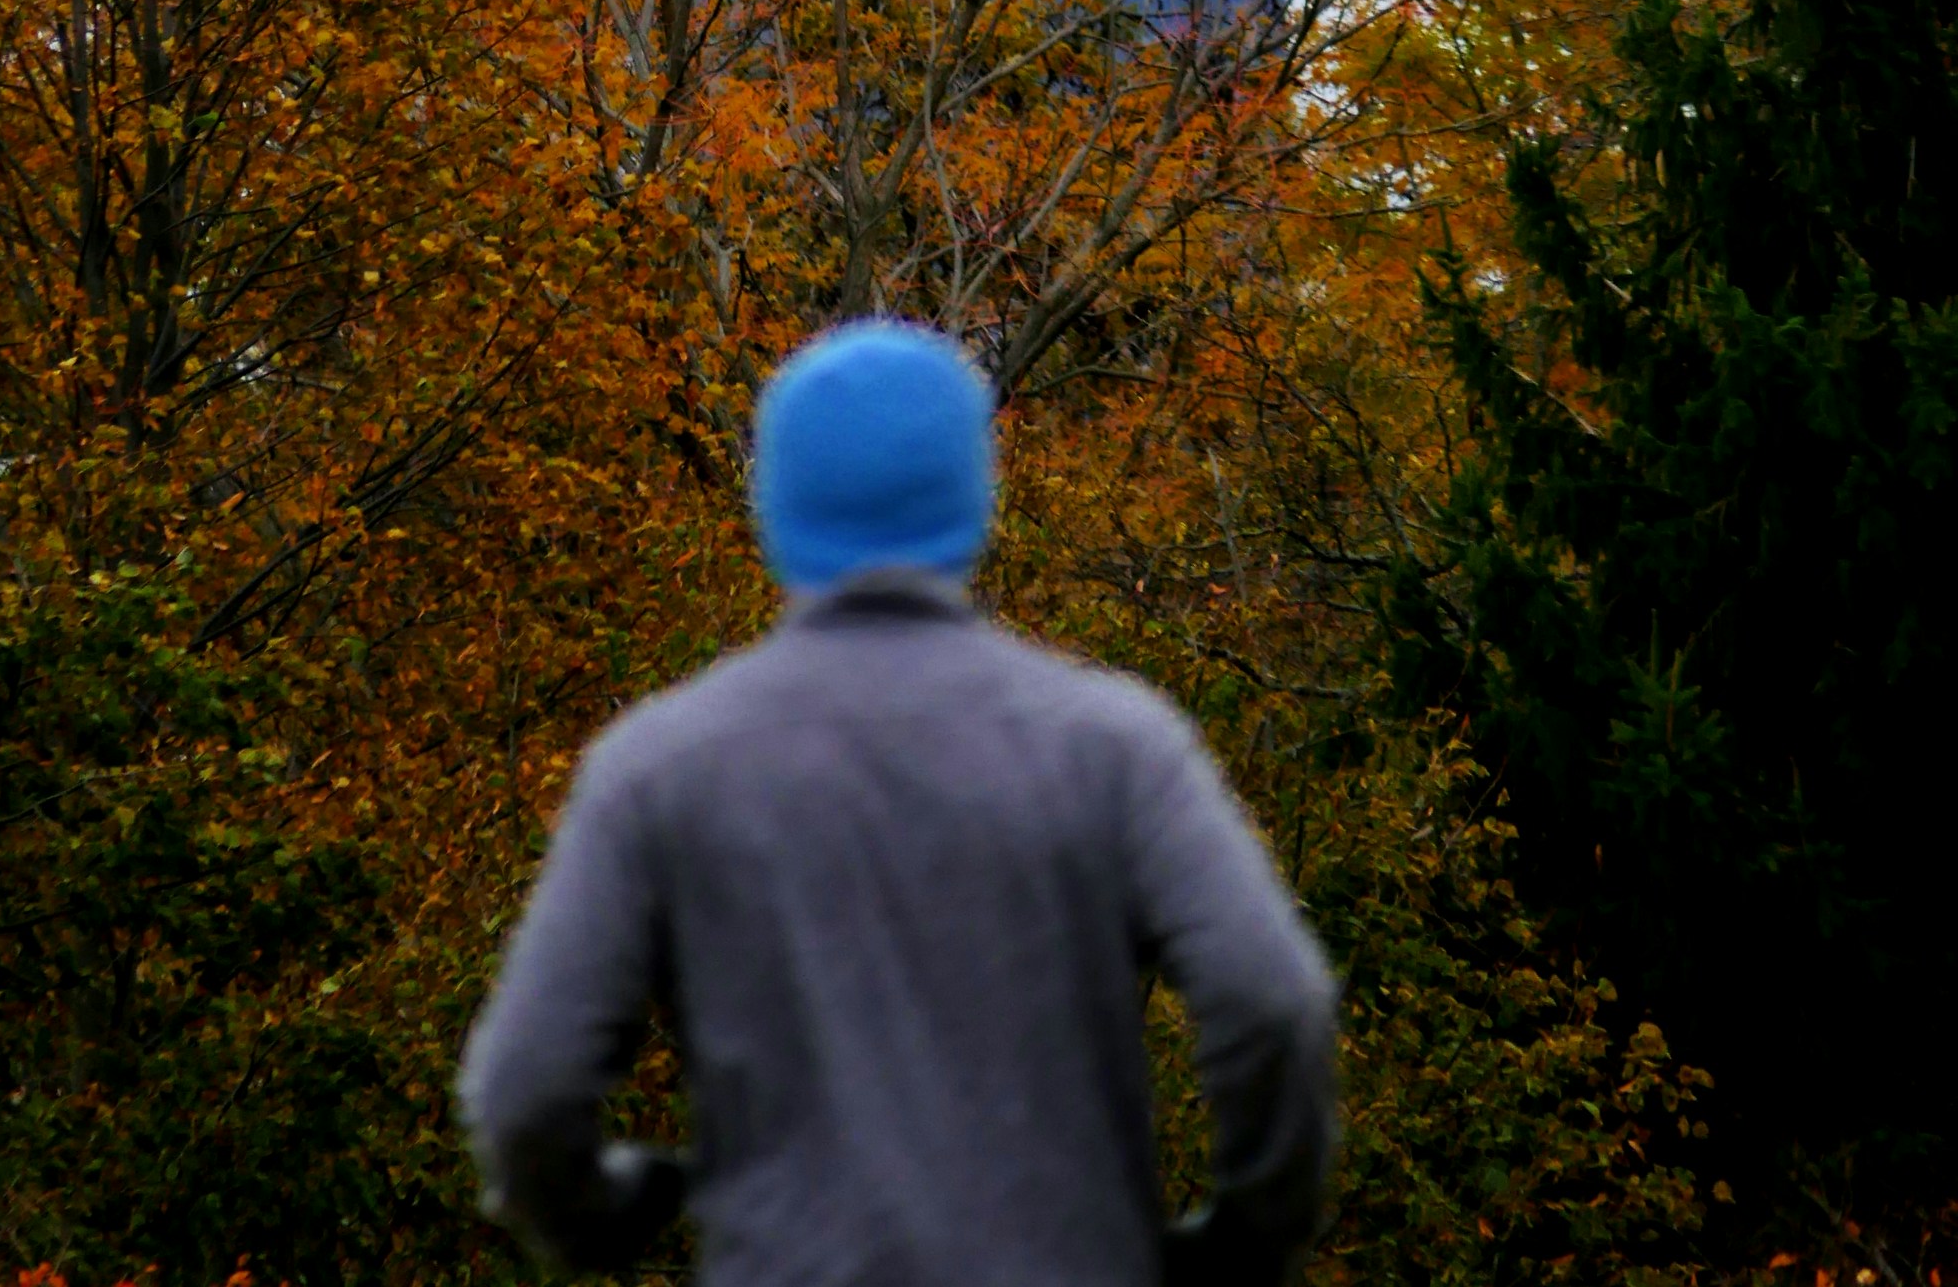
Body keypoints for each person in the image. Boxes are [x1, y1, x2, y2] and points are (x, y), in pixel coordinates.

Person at [458, 318, 1337, 1287]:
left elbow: (526, 1088)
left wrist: (596, 1216)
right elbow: (1271, 998)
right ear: (976, 497)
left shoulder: (661, 765)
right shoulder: (1113, 746)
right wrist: (1247, 1239)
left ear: (775, 504)